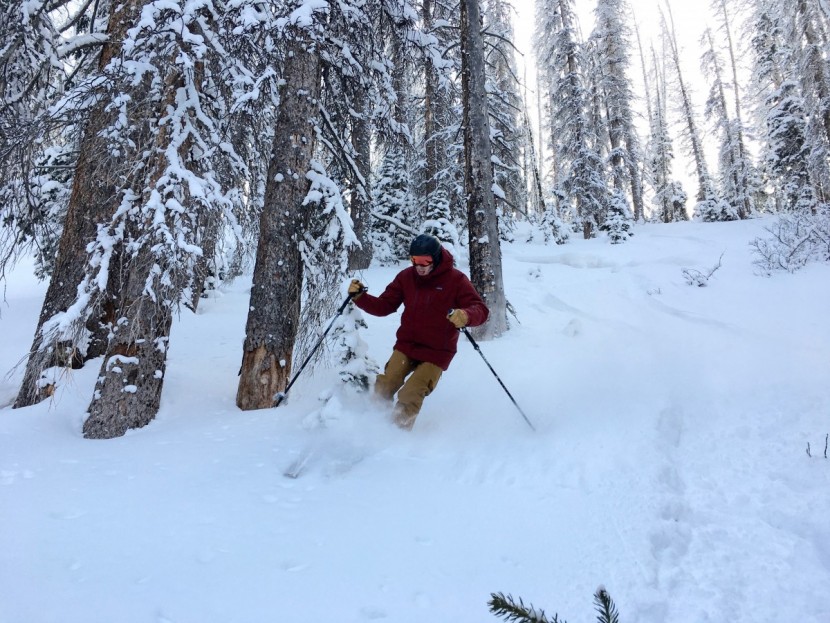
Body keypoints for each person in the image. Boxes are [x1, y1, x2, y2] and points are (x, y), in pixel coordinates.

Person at [348, 234, 489, 429]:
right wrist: (361, 297)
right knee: (385, 385)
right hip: (408, 345)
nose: (420, 266)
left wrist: (465, 315)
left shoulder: (456, 280)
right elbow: (384, 306)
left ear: (436, 258)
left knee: (410, 393)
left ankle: (395, 434)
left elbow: (481, 310)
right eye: (415, 260)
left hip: (436, 352)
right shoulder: (406, 277)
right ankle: (371, 426)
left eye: (425, 261)